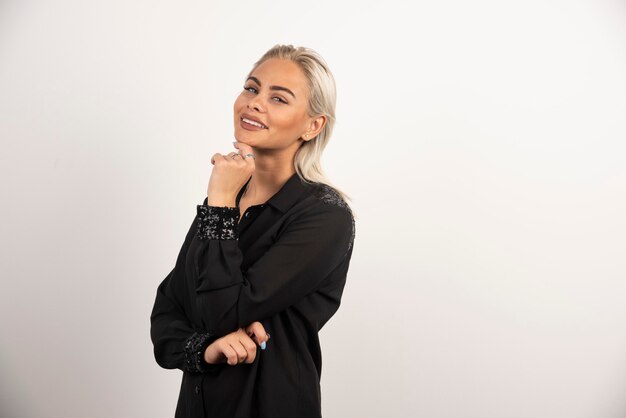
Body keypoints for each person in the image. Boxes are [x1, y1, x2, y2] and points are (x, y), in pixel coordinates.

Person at [149, 44, 356, 418]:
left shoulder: (325, 215)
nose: (255, 103)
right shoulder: (226, 200)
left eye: (279, 98)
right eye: (251, 88)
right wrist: (207, 349)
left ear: (313, 125)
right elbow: (166, 316)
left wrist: (221, 201)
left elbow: (220, 312)